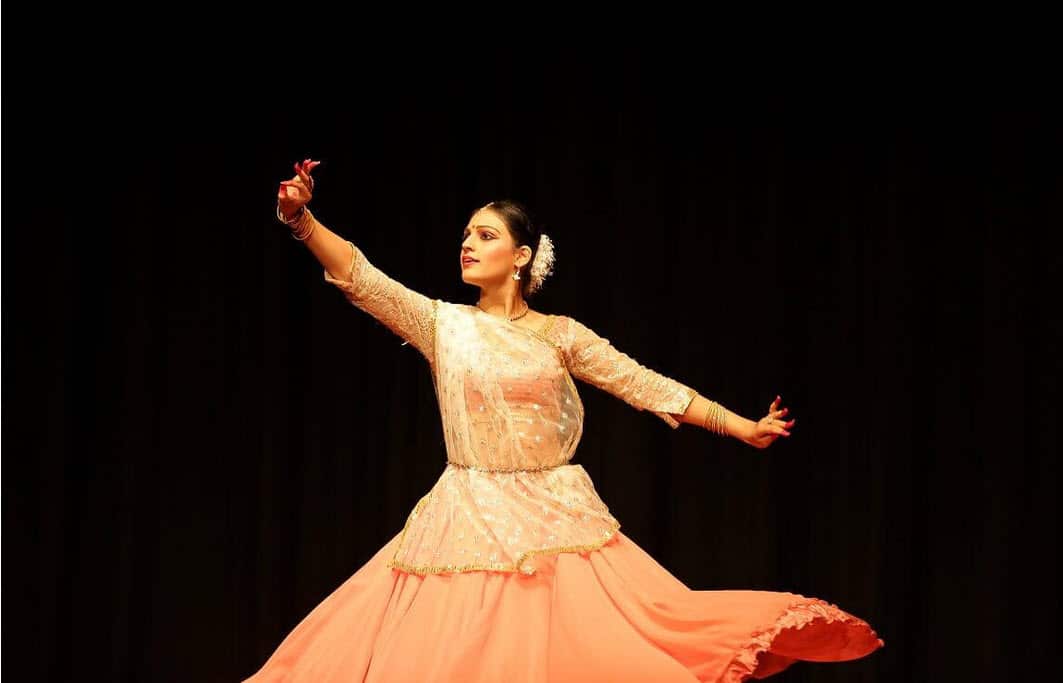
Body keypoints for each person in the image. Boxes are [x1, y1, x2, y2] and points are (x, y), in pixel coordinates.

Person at [243, 160, 884, 682]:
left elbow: (642, 383)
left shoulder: (560, 336)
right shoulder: (445, 325)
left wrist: (739, 425)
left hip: (554, 517)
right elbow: (362, 277)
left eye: (486, 235)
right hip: (465, 516)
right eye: (466, 234)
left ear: (521, 257)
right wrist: (299, 218)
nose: (468, 244)